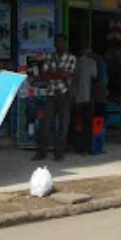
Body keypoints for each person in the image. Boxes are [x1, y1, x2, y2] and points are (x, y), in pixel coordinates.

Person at [31, 34, 77, 162]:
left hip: (64, 94)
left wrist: (53, 74)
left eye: (61, 42)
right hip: (51, 94)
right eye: (57, 42)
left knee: (63, 125)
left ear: (65, 43)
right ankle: (42, 152)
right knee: (45, 124)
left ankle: (59, 153)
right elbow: (44, 76)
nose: (59, 44)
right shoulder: (49, 57)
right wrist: (59, 74)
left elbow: (67, 74)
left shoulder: (71, 58)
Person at [71, 48, 99, 155]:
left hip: (77, 98)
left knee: (76, 123)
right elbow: (95, 75)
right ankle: (86, 148)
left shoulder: (75, 63)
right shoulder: (92, 62)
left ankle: (76, 146)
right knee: (87, 123)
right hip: (88, 96)